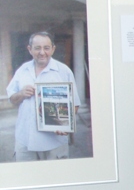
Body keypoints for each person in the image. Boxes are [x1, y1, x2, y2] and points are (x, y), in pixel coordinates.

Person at [6, 31, 80, 161]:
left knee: (55, 174)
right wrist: (21, 94)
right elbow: (12, 99)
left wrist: (65, 125)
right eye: (37, 48)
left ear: (53, 49)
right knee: (26, 174)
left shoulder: (63, 71)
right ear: (30, 49)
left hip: (54, 142)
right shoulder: (22, 70)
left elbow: (75, 104)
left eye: (46, 48)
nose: (42, 52)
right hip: (25, 141)